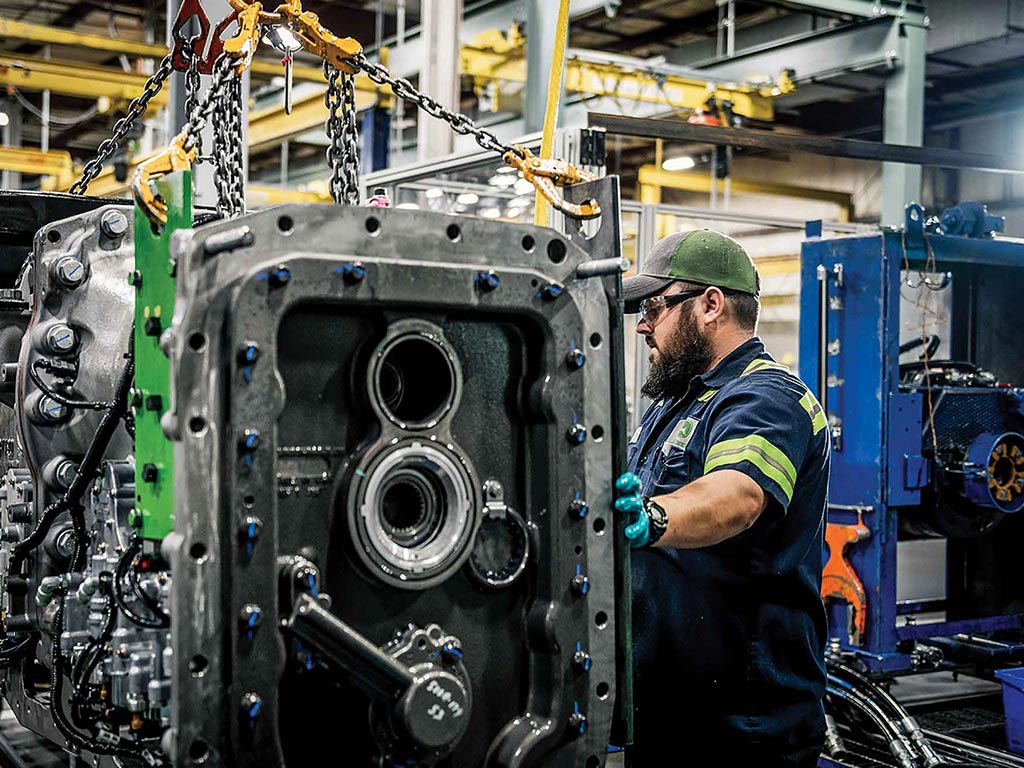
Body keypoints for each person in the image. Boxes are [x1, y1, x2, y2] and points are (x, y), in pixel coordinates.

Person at [613, 229, 830, 766]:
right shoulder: (679, 401)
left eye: (656, 307)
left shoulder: (770, 397)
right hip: (669, 707)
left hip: (743, 724)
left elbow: (736, 495)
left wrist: (654, 517)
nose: (642, 324)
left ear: (710, 305)